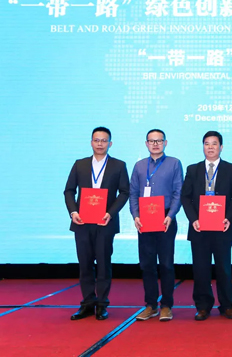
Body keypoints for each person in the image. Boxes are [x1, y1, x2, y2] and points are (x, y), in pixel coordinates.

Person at [64, 127, 129, 321]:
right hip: (82, 222)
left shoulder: (118, 165)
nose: (100, 144)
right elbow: (69, 190)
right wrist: (73, 212)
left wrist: (111, 213)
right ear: (91, 142)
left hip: (105, 222)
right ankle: (87, 303)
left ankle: (102, 304)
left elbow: (124, 192)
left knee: (103, 264)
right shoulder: (80, 164)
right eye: (96, 140)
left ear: (110, 143)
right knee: (85, 264)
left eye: (104, 140)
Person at [181, 131, 232, 321]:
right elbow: (185, 197)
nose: (210, 147)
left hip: (222, 227)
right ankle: (202, 306)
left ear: (221, 147)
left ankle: (227, 305)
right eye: (206, 143)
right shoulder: (193, 169)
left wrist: (229, 218)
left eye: (214, 144)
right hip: (199, 228)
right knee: (201, 269)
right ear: (203, 147)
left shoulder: (231, 169)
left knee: (224, 268)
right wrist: (193, 219)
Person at [129, 129, 183, 321]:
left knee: (166, 264)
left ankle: (167, 305)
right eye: (151, 141)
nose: (155, 144)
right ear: (146, 144)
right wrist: (135, 215)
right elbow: (133, 193)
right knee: (147, 264)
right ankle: (151, 305)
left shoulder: (174, 163)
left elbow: (178, 192)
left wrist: (170, 215)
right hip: (144, 219)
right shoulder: (139, 166)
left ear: (165, 143)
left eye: (159, 140)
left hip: (165, 219)